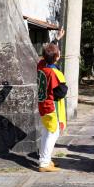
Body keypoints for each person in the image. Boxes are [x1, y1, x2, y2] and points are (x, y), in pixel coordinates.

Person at [36, 43, 68, 172]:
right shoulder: (54, 73)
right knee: (53, 133)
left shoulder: (41, 66)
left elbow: (46, 56)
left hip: (42, 103)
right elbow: (62, 91)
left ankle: (46, 159)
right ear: (56, 57)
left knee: (45, 132)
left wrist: (56, 40)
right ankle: (44, 163)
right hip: (51, 106)